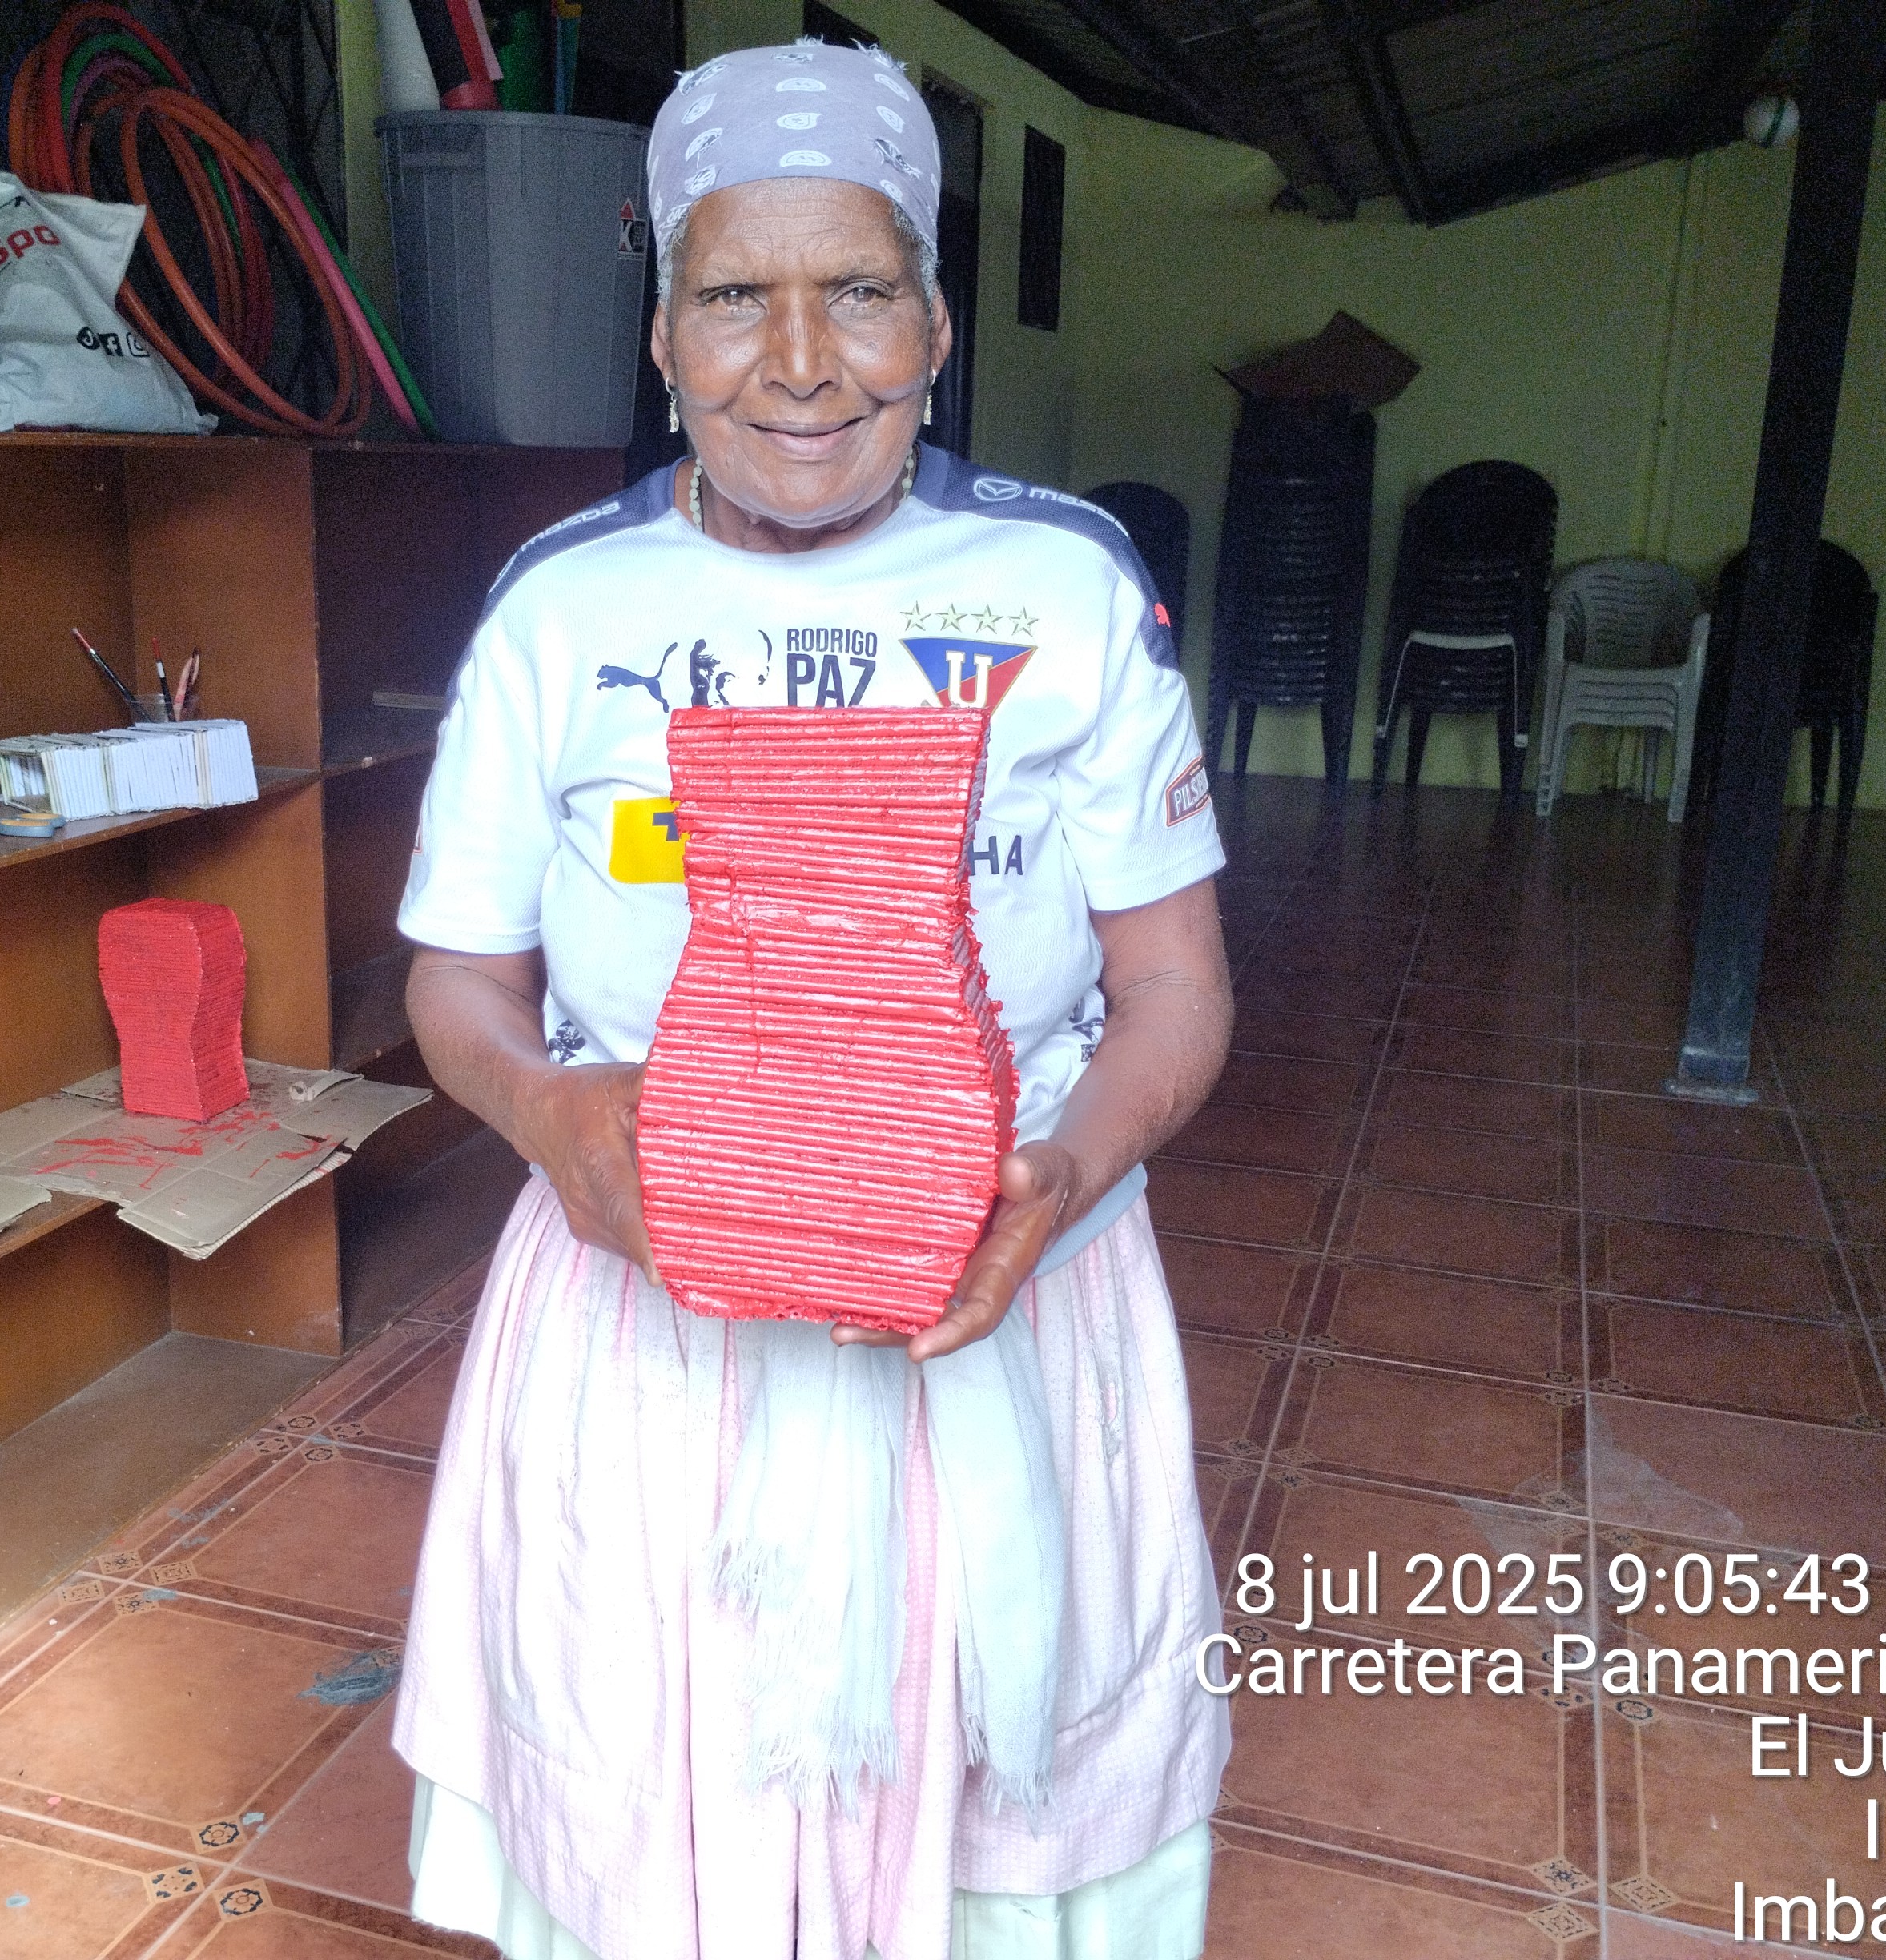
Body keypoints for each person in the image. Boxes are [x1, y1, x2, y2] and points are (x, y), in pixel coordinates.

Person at [391, 39, 1234, 1959]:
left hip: (1010, 1289)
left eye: (856, 290)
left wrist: (1065, 1176)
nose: (796, 362)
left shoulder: (1064, 585)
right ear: (661, 336)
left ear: (935, 324)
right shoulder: (560, 610)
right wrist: (549, 1115)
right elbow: (460, 981)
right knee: (658, 1806)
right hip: (648, 1318)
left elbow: (1178, 988)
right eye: (731, 297)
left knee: (996, 1817)